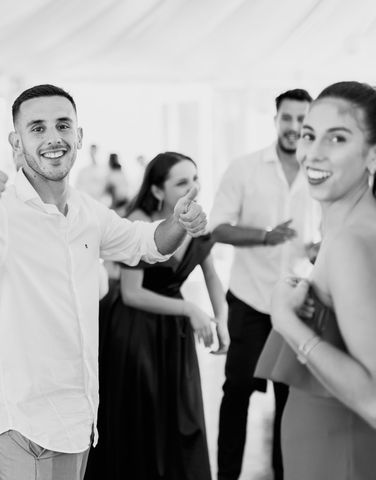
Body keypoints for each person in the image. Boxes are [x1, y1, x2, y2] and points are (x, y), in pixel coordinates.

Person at [0, 84, 207, 480]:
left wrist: (178, 221)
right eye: (37, 128)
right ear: (16, 141)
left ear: (79, 136)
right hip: (27, 421)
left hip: (80, 414)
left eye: (63, 125)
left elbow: (146, 245)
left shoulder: (89, 211)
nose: (53, 138)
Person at [256, 81, 376, 479]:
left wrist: (285, 321)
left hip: (340, 456)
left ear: (372, 154)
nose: (314, 152)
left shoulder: (350, 244)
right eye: (310, 135)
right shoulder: (348, 231)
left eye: (337, 137)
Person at [85, 152, 229, 480]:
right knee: (142, 418)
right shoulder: (138, 219)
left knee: (180, 415)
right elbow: (132, 293)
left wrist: (221, 317)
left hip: (171, 332)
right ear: (158, 192)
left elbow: (211, 274)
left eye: (195, 178)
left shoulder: (196, 219)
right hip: (134, 329)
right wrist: (190, 309)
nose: (194, 187)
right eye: (182, 182)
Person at [211, 88, 319, 480]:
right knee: (237, 393)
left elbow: (317, 237)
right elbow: (216, 228)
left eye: (302, 119)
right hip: (250, 301)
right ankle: (225, 476)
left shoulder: (320, 170)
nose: (294, 127)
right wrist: (265, 235)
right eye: (287, 118)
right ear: (275, 120)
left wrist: (321, 248)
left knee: (290, 402)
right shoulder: (244, 168)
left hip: (297, 303)